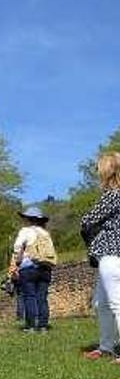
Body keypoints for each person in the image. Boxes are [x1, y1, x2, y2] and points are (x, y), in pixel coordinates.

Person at [81, 152, 120, 361]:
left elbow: (88, 220)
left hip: (112, 255)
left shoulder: (113, 195)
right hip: (111, 256)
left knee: (116, 303)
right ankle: (106, 347)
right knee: (101, 304)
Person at [9, 206, 56, 333]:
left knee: (29, 296)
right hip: (45, 268)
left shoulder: (25, 231)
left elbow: (17, 248)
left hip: (29, 267)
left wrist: (16, 263)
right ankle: (43, 326)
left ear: (28, 219)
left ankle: (30, 326)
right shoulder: (46, 233)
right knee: (42, 297)